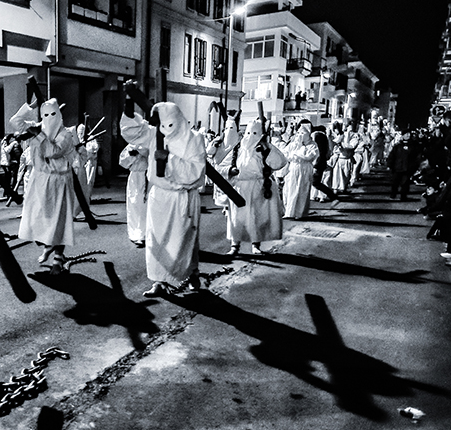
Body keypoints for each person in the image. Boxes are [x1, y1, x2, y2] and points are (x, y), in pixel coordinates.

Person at [120, 101, 207, 296]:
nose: (166, 130)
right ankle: (159, 281)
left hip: (182, 198)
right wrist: (128, 107)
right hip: (159, 197)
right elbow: (132, 132)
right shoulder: (154, 134)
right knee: (156, 241)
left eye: (170, 124)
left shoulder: (194, 138)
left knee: (184, 241)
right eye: (162, 125)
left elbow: (196, 170)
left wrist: (169, 159)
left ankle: (192, 273)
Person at [11, 97, 80, 273]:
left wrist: (38, 135)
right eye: (45, 115)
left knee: (59, 219)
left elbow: (53, 151)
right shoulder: (37, 126)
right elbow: (15, 122)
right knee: (36, 219)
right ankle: (48, 245)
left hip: (59, 181)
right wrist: (30, 107)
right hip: (38, 179)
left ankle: (58, 257)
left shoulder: (66, 134)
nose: (49, 118)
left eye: (52, 114)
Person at [218, 119, 287, 255]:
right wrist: (231, 170)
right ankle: (234, 246)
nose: (250, 136)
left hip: (258, 188)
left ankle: (256, 245)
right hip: (240, 188)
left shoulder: (264, 149)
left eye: (254, 133)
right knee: (237, 218)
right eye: (248, 132)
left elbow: (280, 162)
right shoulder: (238, 149)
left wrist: (268, 147)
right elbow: (220, 166)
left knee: (257, 217)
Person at [282, 120, 319, 220]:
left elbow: (309, 156)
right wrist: (294, 152)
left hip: (304, 169)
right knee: (289, 189)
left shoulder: (312, 145)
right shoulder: (293, 144)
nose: (300, 135)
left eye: (303, 133)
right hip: (293, 167)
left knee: (302, 190)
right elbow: (285, 154)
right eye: (298, 133)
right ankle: (289, 211)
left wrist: (298, 152)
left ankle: (300, 213)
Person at [119, 140, 149, 248]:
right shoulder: (131, 145)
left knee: (143, 206)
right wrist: (132, 155)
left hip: (146, 176)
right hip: (134, 176)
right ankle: (134, 233)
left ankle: (143, 234)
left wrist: (143, 153)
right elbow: (122, 162)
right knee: (133, 204)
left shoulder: (150, 142)